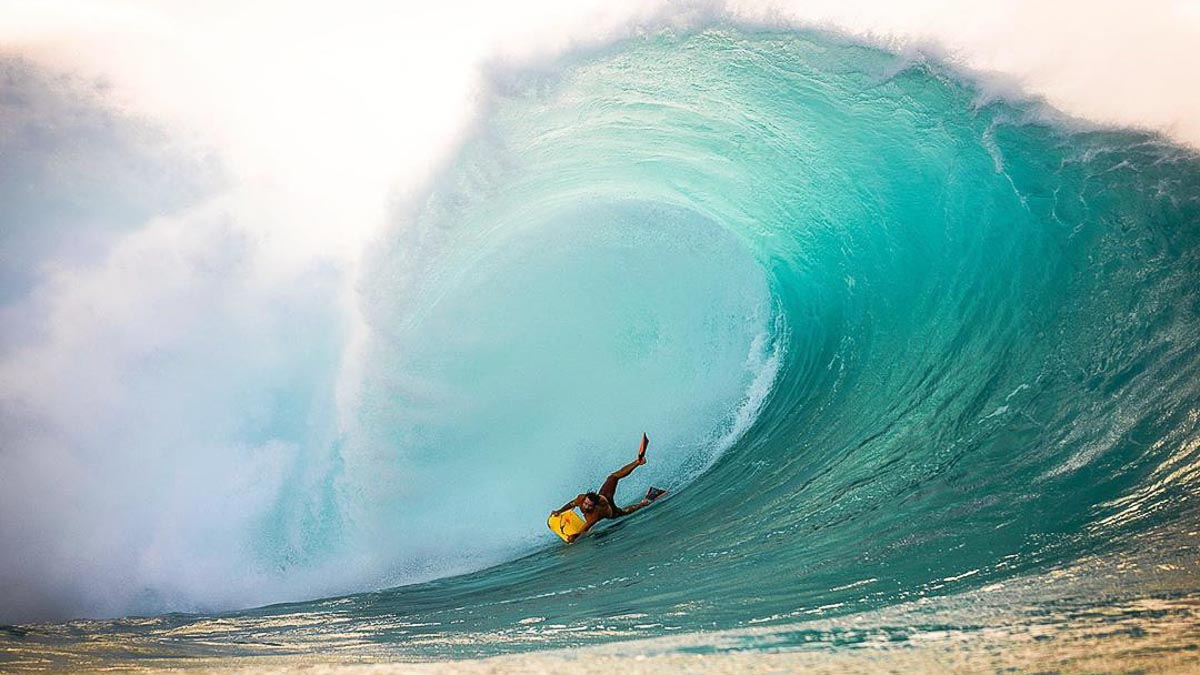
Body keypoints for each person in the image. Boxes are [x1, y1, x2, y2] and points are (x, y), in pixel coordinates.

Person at [550, 432, 665, 542]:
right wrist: (559, 511)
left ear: (594, 505)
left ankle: (645, 501)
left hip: (609, 511)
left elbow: (585, 527)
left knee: (623, 511)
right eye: (585, 504)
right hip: (603, 497)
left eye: (589, 506)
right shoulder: (581, 498)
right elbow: (571, 504)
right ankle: (637, 462)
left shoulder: (594, 515)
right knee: (612, 477)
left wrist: (575, 536)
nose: (586, 507)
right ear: (584, 499)